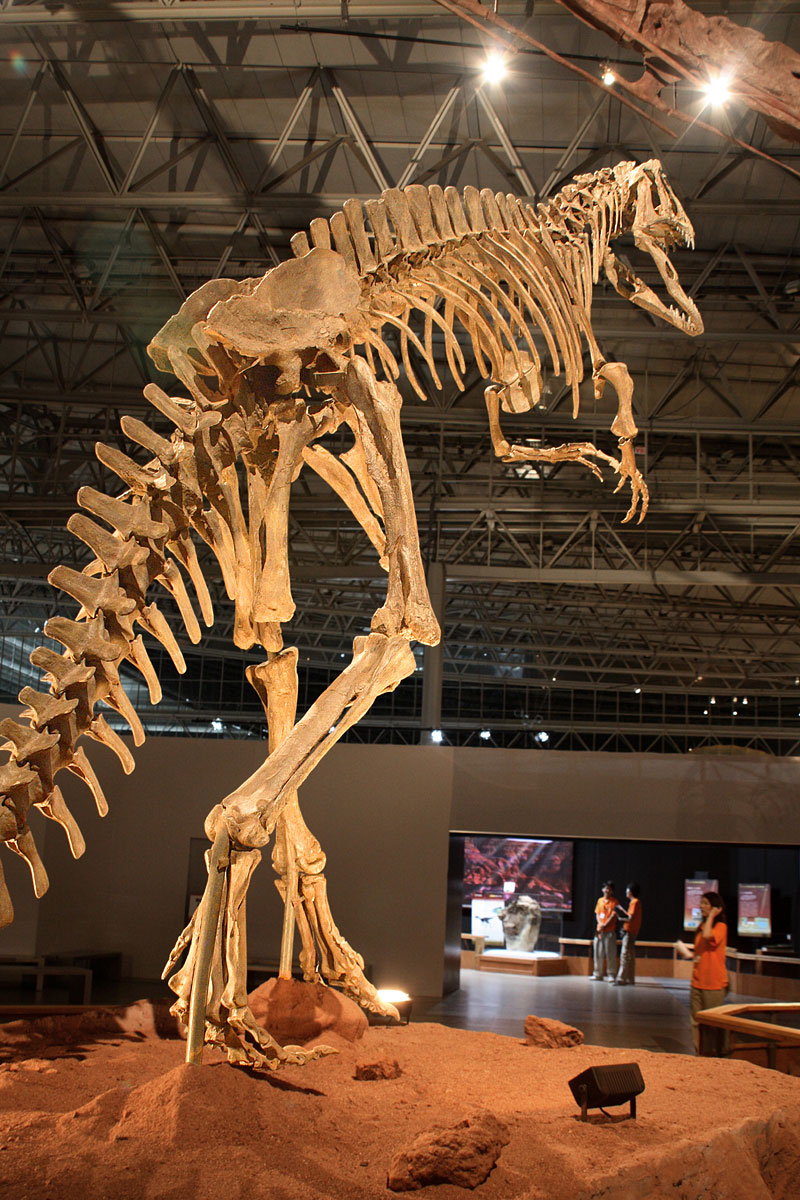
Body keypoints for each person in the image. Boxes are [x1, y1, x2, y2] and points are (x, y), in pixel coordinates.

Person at [676, 891, 728, 1054]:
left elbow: (708, 936)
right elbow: (701, 950)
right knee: (695, 1021)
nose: (702, 906)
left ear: (715, 907)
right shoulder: (700, 927)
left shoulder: (721, 927)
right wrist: (688, 954)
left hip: (713, 982)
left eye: (706, 903)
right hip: (697, 980)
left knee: (712, 1023)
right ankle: (700, 1052)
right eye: (702, 903)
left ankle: (714, 1054)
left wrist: (712, 916)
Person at [614, 882, 642, 986]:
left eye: (627, 890)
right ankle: (630, 978)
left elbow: (630, 917)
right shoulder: (636, 902)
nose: (626, 892)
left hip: (629, 932)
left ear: (630, 891)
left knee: (625, 955)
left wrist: (620, 915)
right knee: (630, 955)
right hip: (632, 931)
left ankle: (621, 978)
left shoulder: (634, 902)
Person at [590, 880, 617, 980]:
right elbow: (597, 913)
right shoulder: (599, 900)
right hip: (599, 931)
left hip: (609, 931)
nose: (607, 890)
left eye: (609, 889)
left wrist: (605, 924)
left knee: (610, 953)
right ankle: (598, 973)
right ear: (602, 889)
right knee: (598, 953)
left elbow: (613, 916)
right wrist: (600, 924)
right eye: (605, 888)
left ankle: (611, 974)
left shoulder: (614, 902)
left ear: (612, 891)